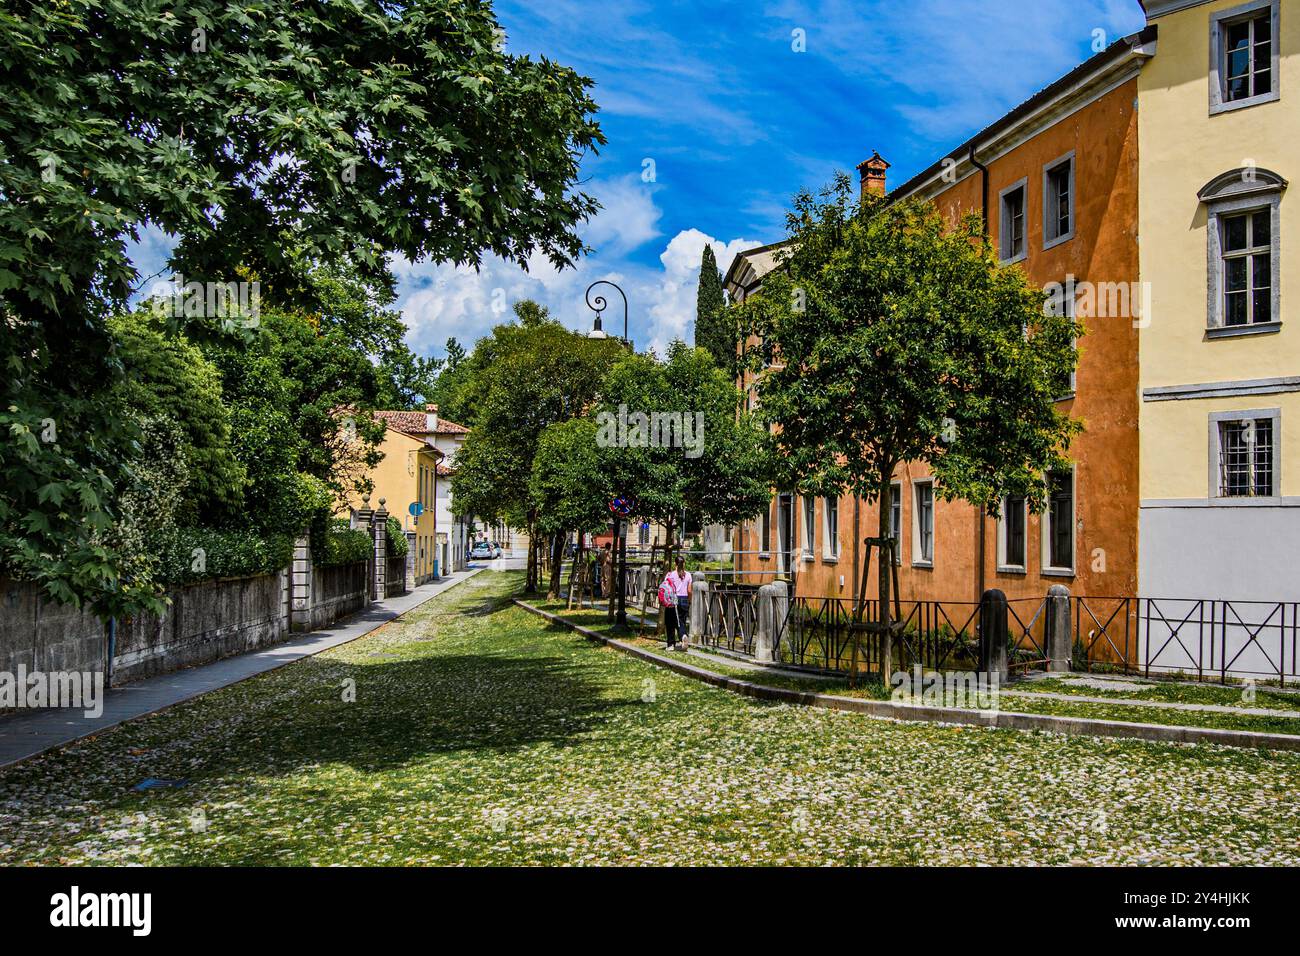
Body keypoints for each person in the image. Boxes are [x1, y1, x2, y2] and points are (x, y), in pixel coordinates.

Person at [660, 557, 693, 650]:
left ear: (675, 563)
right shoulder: (688, 575)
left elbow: (666, 588)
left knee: (670, 622)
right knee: (681, 621)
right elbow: (689, 590)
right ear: (684, 563)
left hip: (673, 599)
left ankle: (671, 644)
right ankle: (683, 636)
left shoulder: (670, 575)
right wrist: (689, 600)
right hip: (684, 599)